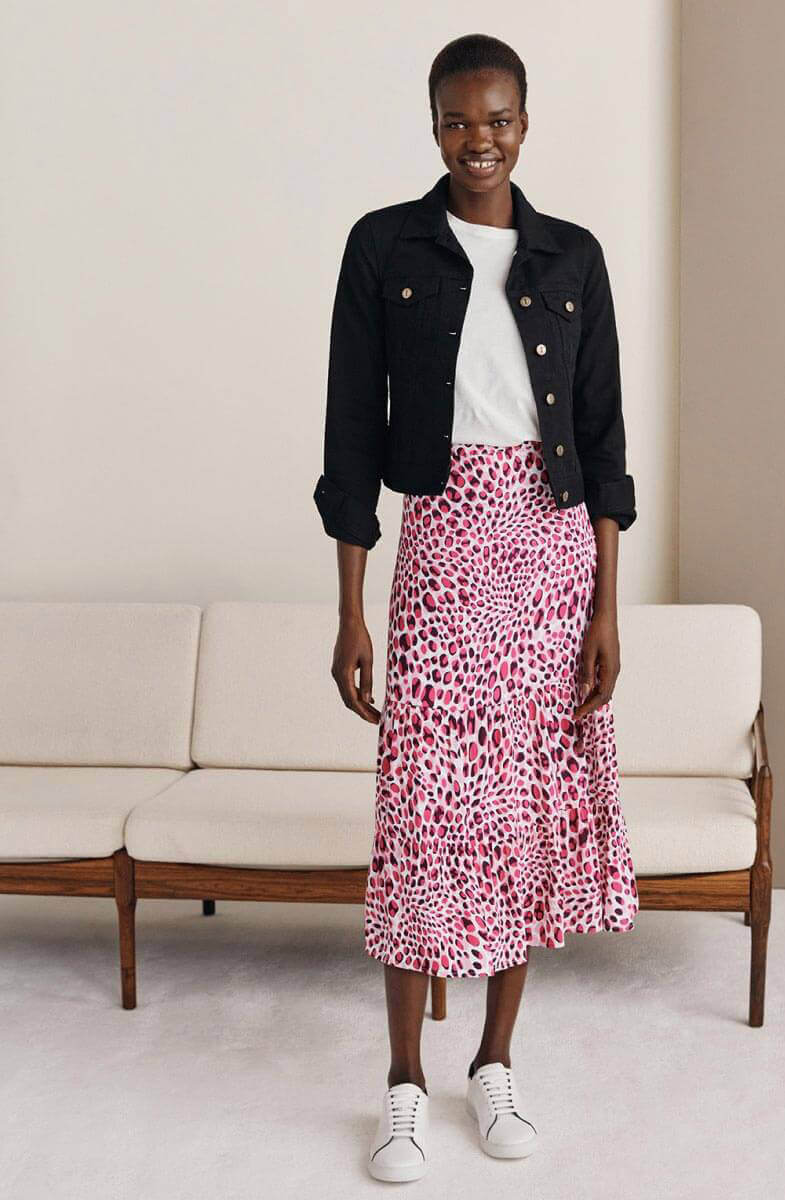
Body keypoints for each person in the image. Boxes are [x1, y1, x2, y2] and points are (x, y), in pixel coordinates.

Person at [313, 33, 640, 1183]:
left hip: (554, 554)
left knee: (526, 814)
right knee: (424, 812)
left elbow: (602, 443)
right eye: (459, 121)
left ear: (526, 123)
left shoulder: (572, 257)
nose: (479, 140)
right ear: (433, 124)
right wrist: (352, 612)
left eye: (497, 120)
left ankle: (494, 1063)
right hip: (444, 538)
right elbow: (350, 435)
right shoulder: (385, 246)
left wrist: (608, 605)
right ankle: (403, 1081)